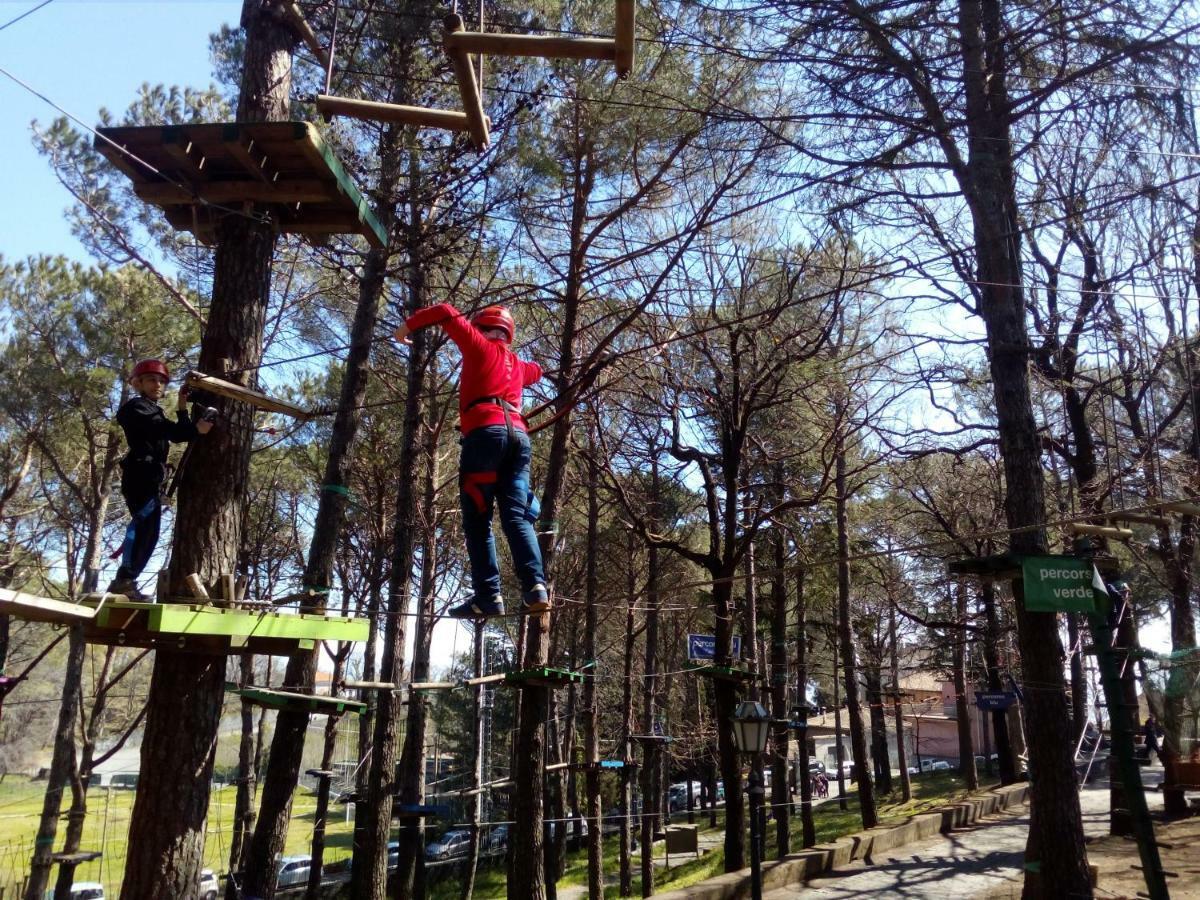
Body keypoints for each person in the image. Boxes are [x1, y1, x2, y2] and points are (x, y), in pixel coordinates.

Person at [394, 303, 548, 618]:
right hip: (519, 439)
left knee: (478, 521)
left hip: (485, 437)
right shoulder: (517, 365)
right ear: (507, 334)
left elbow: (445, 310)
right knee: (516, 518)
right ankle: (536, 587)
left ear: (481, 328)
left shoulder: (478, 345)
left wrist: (406, 328)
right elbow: (537, 370)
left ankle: (488, 596)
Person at [107, 359, 212, 599]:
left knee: (150, 533)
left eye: (162, 381)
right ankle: (124, 579)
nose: (158, 385)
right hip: (140, 476)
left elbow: (176, 434)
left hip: (149, 478)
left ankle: (127, 580)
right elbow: (173, 431)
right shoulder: (136, 407)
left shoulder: (151, 409)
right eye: (152, 380)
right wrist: (196, 429)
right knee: (143, 527)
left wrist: (183, 407)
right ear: (138, 383)